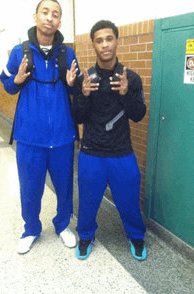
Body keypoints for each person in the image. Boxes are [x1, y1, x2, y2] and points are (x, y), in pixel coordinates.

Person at [0, 0, 80, 254]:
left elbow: (75, 89)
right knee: (30, 188)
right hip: (29, 137)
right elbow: (7, 84)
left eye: (55, 14)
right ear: (35, 16)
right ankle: (31, 229)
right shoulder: (19, 51)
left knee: (65, 186)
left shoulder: (67, 53)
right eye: (45, 12)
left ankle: (62, 225)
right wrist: (16, 79)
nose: (49, 18)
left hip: (62, 135)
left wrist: (72, 84)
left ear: (59, 21)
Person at [72, 20, 147, 261]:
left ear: (117, 41)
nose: (105, 45)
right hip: (91, 153)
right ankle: (85, 235)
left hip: (121, 152)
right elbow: (78, 117)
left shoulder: (131, 78)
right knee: (87, 202)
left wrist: (126, 94)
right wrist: (82, 95)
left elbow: (138, 115)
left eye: (109, 39)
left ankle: (135, 236)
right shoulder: (86, 79)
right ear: (93, 44)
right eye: (99, 40)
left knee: (129, 201)